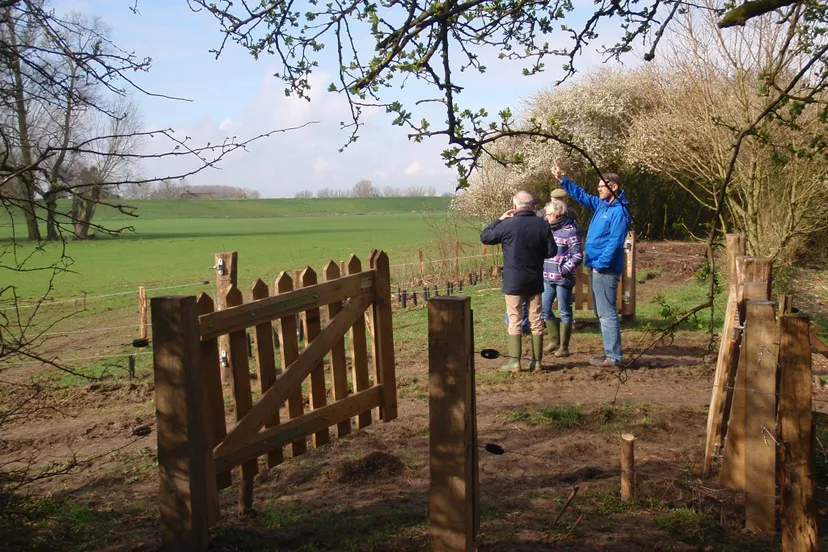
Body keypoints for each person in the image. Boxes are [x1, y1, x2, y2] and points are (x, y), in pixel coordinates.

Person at [552, 160, 630, 367]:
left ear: (613, 188)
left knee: (607, 312)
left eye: (602, 187)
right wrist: (562, 179)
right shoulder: (603, 205)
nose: (598, 189)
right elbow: (582, 196)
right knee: (601, 312)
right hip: (596, 265)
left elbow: (615, 242)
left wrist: (600, 264)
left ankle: (613, 357)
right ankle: (609, 354)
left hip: (604, 268)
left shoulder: (619, 212)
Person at [481, 191, 556, 373]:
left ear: (514, 207)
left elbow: (485, 236)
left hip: (513, 281)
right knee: (536, 320)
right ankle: (536, 362)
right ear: (532, 206)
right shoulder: (542, 225)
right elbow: (551, 251)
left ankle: (515, 363)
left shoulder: (507, 225)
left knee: (515, 319)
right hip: (535, 279)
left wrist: (499, 219)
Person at [542, 197, 582, 357]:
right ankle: (553, 341)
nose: (547, 217)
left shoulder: (570, 230)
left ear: (558, 214)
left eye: (549, 214)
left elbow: (577, 256)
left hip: (563, 278)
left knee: (564, 310)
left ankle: (564, 347)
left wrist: (564, 269)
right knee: (545, 309)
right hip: (547, 276)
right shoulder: (548, 229)